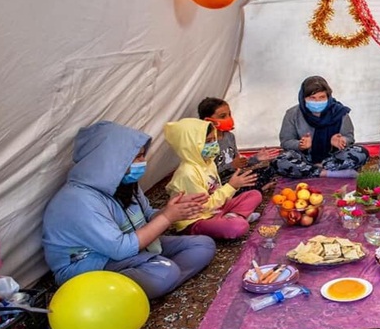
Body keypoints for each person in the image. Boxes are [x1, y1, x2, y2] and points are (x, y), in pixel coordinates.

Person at [42, 121, 216, 300]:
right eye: (137, 157)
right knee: (165, 271)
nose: (143, 162)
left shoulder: (124, 184)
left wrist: (173, 209)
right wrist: (167, 217)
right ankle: (153, 279)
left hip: (135, 249)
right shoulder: (78, 200)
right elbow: (120, 249)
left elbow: (148, 215)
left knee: (203, 245)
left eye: (142, 156)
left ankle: (156, 282)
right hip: (92, 265)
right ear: (110, 159)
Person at [164, 118, 262, 239]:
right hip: (196, 220)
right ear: (190, 145)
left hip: (215, 209)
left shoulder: (208, 162)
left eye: (214, 139)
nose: (214, 144)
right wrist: (232, 186)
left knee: (254, 194)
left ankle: (231, 216)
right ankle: (235, 218)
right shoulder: (187, 174)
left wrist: (232, 188)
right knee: (238, 227)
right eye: (208, 141)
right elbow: (204, 207)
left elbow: (217, 193)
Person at [274, 76, 369, 179]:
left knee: (361, 152)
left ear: (328, 97)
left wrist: (341, 141)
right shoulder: (293, 114)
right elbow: (285, 141)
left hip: (333, 157)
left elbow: (350, 137)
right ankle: (327, 173)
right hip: (304, 158)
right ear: (303, 98)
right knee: (280, 161)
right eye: (312, 98)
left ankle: (313, 170)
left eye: (322, 97)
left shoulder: (339, 112)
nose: (317, 101)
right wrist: (300, 145)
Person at [197, 97, 280, 193]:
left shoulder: (229, 136)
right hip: (220, 184)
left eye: (229, 114)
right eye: (223, 116)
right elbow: (208, 175)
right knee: (234, 189)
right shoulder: (206, 144)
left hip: (236, 175)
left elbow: (239, 162)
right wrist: (231, 166)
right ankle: (257, 190)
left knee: (269, 170)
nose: (229, 119)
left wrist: (256, 158)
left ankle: (253, 190)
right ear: (208, 121)